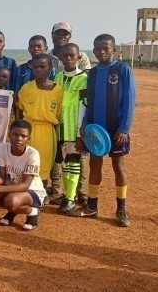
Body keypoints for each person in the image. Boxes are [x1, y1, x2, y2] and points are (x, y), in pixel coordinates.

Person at [73, 34, 135, 227]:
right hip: (95, 130)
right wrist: (84, 126)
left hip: (116, 129)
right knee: (95, 166)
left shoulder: (122, 70)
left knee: (118, 167)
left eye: (105, 48)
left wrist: (124, 128)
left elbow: (129, 101)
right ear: (93, 50)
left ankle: (121, 209)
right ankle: (92, 206)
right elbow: (89, 103)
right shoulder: (92, 73)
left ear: (113, 49)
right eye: (98, 48)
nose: (101, 52)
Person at [0, 119, 46, 231]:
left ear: (28, 138)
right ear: (9, 135)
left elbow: (25, 185)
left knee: (11, 201)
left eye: (23, 136)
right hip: (13, 187)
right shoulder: (3, 148)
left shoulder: (33, 154)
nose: (18, 138)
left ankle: (32, 212)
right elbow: (2, 178)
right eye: (15, 134)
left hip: (31, 190)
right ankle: (13, 210)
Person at [17, 53, 63, 194]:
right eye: (35, 66)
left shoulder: (58, 90)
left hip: (46, 131)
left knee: (43, 162)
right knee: (24, 160)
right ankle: (22, 190)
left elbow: (59, 115)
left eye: (42, 66)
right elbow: (19, 109)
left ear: (50, 68)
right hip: (27, 130)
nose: (38, 69)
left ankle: (41, 192)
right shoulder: (26, 88)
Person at [50, 43, 88, 213]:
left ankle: (71, 198)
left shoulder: (83, 79)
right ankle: (67, 195)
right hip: (59, 128)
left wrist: (81, 130)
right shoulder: (58, 77)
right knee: (63, 163)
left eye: (72, 55)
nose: (68, 58)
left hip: (74, 129)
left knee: (72, 163)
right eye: (64, 56)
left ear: (79, 57)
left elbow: (84, 106)